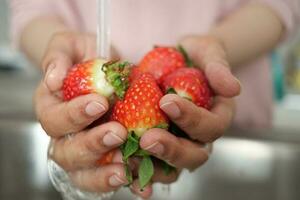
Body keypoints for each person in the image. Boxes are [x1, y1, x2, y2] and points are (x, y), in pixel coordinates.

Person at [9, 0, 299, 198]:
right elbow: (32, 7)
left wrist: (219, 48)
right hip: (89, 126)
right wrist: (58, 53)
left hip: (233, 136)